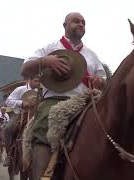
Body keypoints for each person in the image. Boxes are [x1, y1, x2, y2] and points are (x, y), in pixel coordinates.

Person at [21, 12, 106, 180]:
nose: (81, 24)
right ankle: (40, 175)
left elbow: (103, 79)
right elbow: (24, 70)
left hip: (86, 102)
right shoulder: (50, 47)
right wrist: (45, 62)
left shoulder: (92, 55)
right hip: (54, 101)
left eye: (83, 22)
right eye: (76, 21)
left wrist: (100, 82)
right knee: (43, 128)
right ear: (65, 25)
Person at [3, 76, 40, 167]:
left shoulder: (39, 92)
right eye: (36, 81)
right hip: (20, 115)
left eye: (39, 81)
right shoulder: (20, 89)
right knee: (7, 129)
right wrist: (22, 103)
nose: (38, 83)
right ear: (29, 80)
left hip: (34, 115)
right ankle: (9, 154)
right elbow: (8, 101)